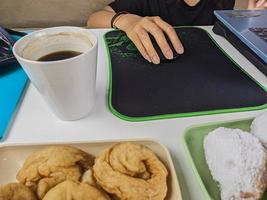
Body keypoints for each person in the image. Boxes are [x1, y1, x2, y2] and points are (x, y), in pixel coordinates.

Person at [88, 0, 267, 64]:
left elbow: (234, 29)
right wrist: (126, 20)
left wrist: (255, 17)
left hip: (203, 70)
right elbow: (94, 20)